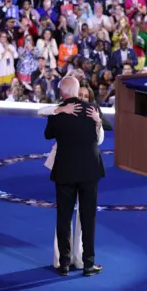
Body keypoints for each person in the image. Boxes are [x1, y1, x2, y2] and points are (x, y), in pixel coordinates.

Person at [38, 84, 105, 270]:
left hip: (65, 171)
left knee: (64, 217)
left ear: (62, 92)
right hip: (89, 172)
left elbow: (47, 134)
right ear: (76, 92)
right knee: (88, 218)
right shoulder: (91, 110)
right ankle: (88, 265)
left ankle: (65, 264)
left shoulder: (59, 113)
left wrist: (59, 111)